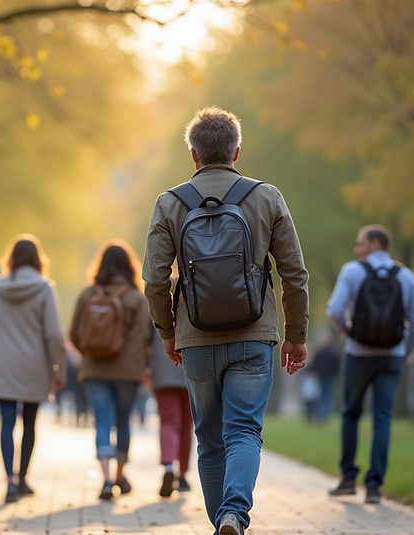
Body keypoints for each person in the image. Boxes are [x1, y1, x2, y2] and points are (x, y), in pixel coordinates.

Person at [143, 106, 310, 535]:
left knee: (210, 439)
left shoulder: (169, 203)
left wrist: (166, 333)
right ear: (237, 152)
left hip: (195, 338)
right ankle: (234, 514)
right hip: (255, 335)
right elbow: (294, 273)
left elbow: (155, 280)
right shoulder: (267, 197)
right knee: (244, 431)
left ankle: (222, 519)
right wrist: (297, 335)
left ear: (194, 156)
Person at [326, 224, 414, 504]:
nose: (357, 249)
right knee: (382, 418)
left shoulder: (352, 271)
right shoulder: (406, 276)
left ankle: (347, 478)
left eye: (360, 243)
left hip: (358, 353)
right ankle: (374, 487)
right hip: (392, 355)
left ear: (374, 243)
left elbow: (334, 310)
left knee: (351, 414)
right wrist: (405, 352)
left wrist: (349, 332)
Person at [0, 234, 66, 503]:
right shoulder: (44, 287)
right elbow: (53, 333)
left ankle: (9, 481)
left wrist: (0, 342)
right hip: (35, 364)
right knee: (29, 423)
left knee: (5, 422)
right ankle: (24, 478)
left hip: (3, 362)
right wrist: (58, 369)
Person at [69, 241, 151, 500]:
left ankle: (105, 479)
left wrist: (90, 354)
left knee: (102, 421)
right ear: (129, 265)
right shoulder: (136, 298)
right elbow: (145, 337)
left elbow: (74, 333)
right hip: (127, 371)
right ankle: (119, 475)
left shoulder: (88, 293)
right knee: (124, 421)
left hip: (95, 368)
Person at [148, 326, 194, 497]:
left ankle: (169, 465)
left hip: (162, 367)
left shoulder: (154, 302)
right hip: (192, 364)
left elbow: (144, 339)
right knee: (186, 424)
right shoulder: (193, 297)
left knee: (169, 420)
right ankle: (182, 476)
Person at [310, 333, 342, 423]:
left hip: (321, 377)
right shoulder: (334, 353)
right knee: (327, 397)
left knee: (320, 397)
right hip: (330, 378)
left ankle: (319, 415)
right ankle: (324, 415)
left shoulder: (319, 352)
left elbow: (314, 365)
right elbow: (338, 365)